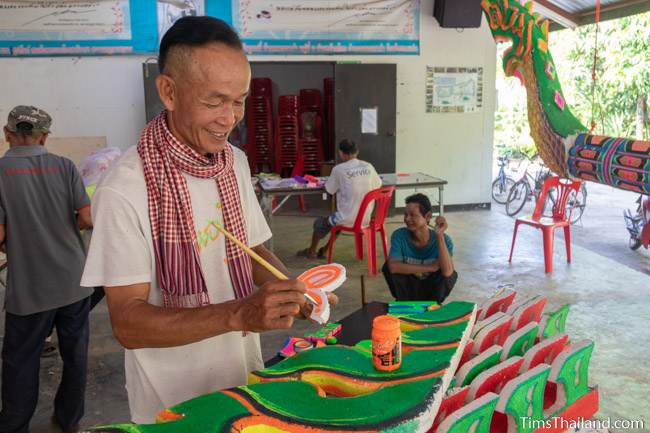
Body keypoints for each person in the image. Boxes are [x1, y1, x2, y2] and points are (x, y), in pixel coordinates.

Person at [80, 16, 336, 423]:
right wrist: (238, 313)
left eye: (239, 101)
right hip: (172, 401)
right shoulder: (125, 188)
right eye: (214, 100)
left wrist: (291, 291)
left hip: (242, 377)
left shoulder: (232, 161)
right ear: (168, 91)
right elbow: (127, 321)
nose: (229, 118)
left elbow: (251, 249)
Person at [0, 106, 93, 433]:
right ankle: (68, 421)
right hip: (73, 283)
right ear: (45, 136)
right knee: (76, 356)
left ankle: (14, 426)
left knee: (21, 362)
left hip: (29, 290)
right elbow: (86, 218)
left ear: (7, 133)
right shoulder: (65, 166)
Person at [297, 139, 381, 258]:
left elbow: (329, 189)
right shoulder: (368, 166)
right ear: (357, 151)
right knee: (336, 220)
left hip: (347, 219)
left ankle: (311, 251)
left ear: (341, 153)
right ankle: (325, 250)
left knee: (320, 223)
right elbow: (378, 185)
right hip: (366, 219)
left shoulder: (339, 169)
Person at [382, 193, 458, 303]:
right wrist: (430, 267)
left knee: (450, 273)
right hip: (408, 290)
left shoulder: (445, 240)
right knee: (388, 267)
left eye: (413, 215)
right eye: (405, 215)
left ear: (427, 216)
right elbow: (393, 267)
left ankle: (432, 306)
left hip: (431, 290)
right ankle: (405, 304)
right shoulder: (399, 236)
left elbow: (448, 273)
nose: (407, 219)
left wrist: (439, 236)